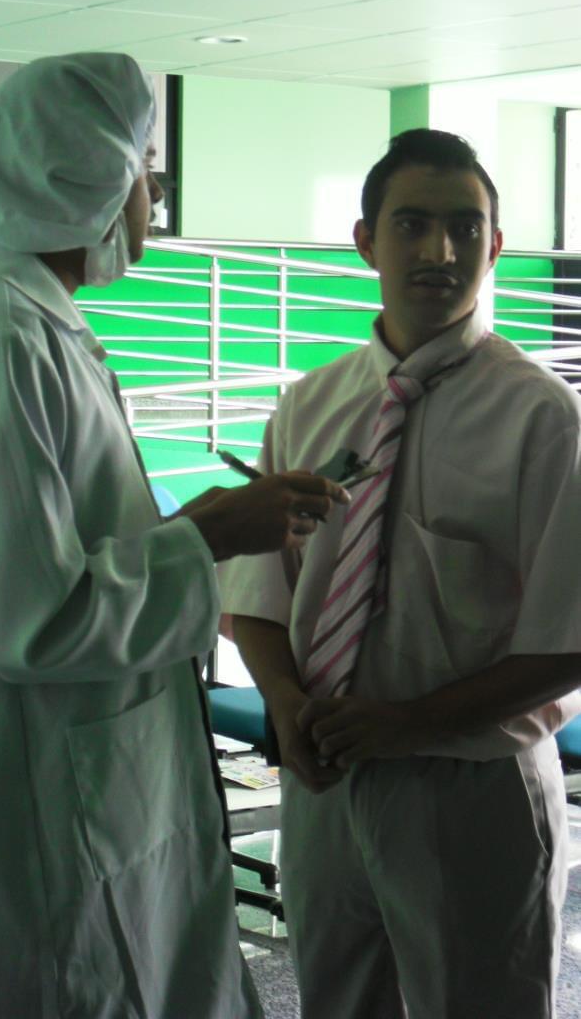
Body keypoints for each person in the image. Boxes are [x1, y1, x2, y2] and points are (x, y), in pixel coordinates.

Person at [0, 53, 349, 1019]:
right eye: (148, 174)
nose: (152, 200)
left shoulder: (39, 325)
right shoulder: (3, 336)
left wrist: (196, 529)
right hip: (46, 810)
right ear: (89, 177)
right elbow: (27, 621)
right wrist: (207, 539)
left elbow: (59, 558)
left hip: (96, 786)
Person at [219, 128, 581, 1018]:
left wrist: (406, 723)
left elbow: (566, 642)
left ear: (495, 246)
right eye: (411, 224)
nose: (439, 251)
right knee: (338, 1002)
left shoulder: (543, 419)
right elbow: (258, 597)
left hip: (471, 784)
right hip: (326, 780)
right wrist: (285, 705)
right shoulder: (309, 403)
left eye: (465, 227)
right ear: (365, 241)